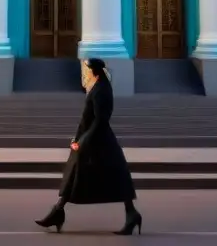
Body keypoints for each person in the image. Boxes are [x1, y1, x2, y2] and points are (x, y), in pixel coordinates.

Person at [34, 58, 142, 236]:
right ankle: (57, 212)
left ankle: (131, 214)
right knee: (79, 174)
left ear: (94, 71)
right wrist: (77, 138)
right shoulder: (97, 87)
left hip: (100, 141)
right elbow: (87, 119)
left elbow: (100, 120)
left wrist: (83, 141)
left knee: (113, 176)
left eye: (86, 70)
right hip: (92, 139)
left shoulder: (102, 90)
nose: (84, 73)